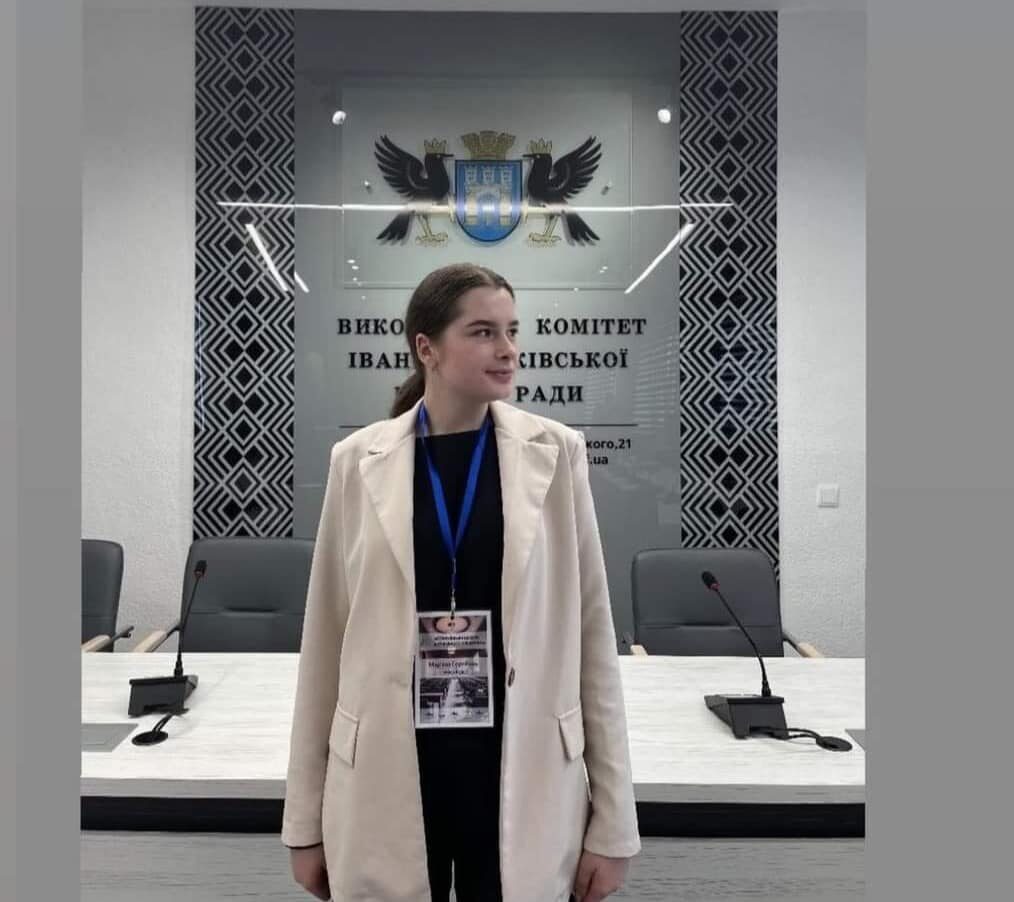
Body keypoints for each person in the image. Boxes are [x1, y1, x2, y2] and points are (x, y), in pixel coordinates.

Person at [282, 263, 640, 902]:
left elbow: (592, 640)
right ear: (427, 348)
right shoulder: (356, 462)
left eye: (512, 331)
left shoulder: (558, 453)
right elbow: (325, 646)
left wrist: (614, 825)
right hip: (391, 765)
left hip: (518, 764)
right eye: (482, 332)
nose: (507, 350)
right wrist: (304, 824)